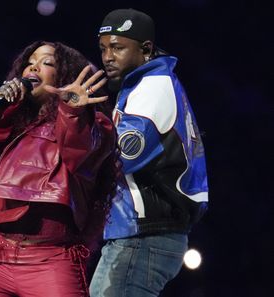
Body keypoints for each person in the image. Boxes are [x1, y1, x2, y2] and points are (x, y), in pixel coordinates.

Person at [0, 40, 118, 297]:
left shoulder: (93, 123)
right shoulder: (7, 121)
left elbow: (80, 155)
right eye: (29, 63)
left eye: (47, 63)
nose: (34, 68)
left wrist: (73, 111)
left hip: (50, 261)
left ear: (66, 75)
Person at [89, 8, 209, 297]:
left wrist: (75, 121)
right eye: (103, 48)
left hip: (144, 234)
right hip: (142, 234)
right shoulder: (147, 84)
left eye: (117, 48)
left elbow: (118, 158)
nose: (107, 57)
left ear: (146, 49)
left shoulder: (152, 87)